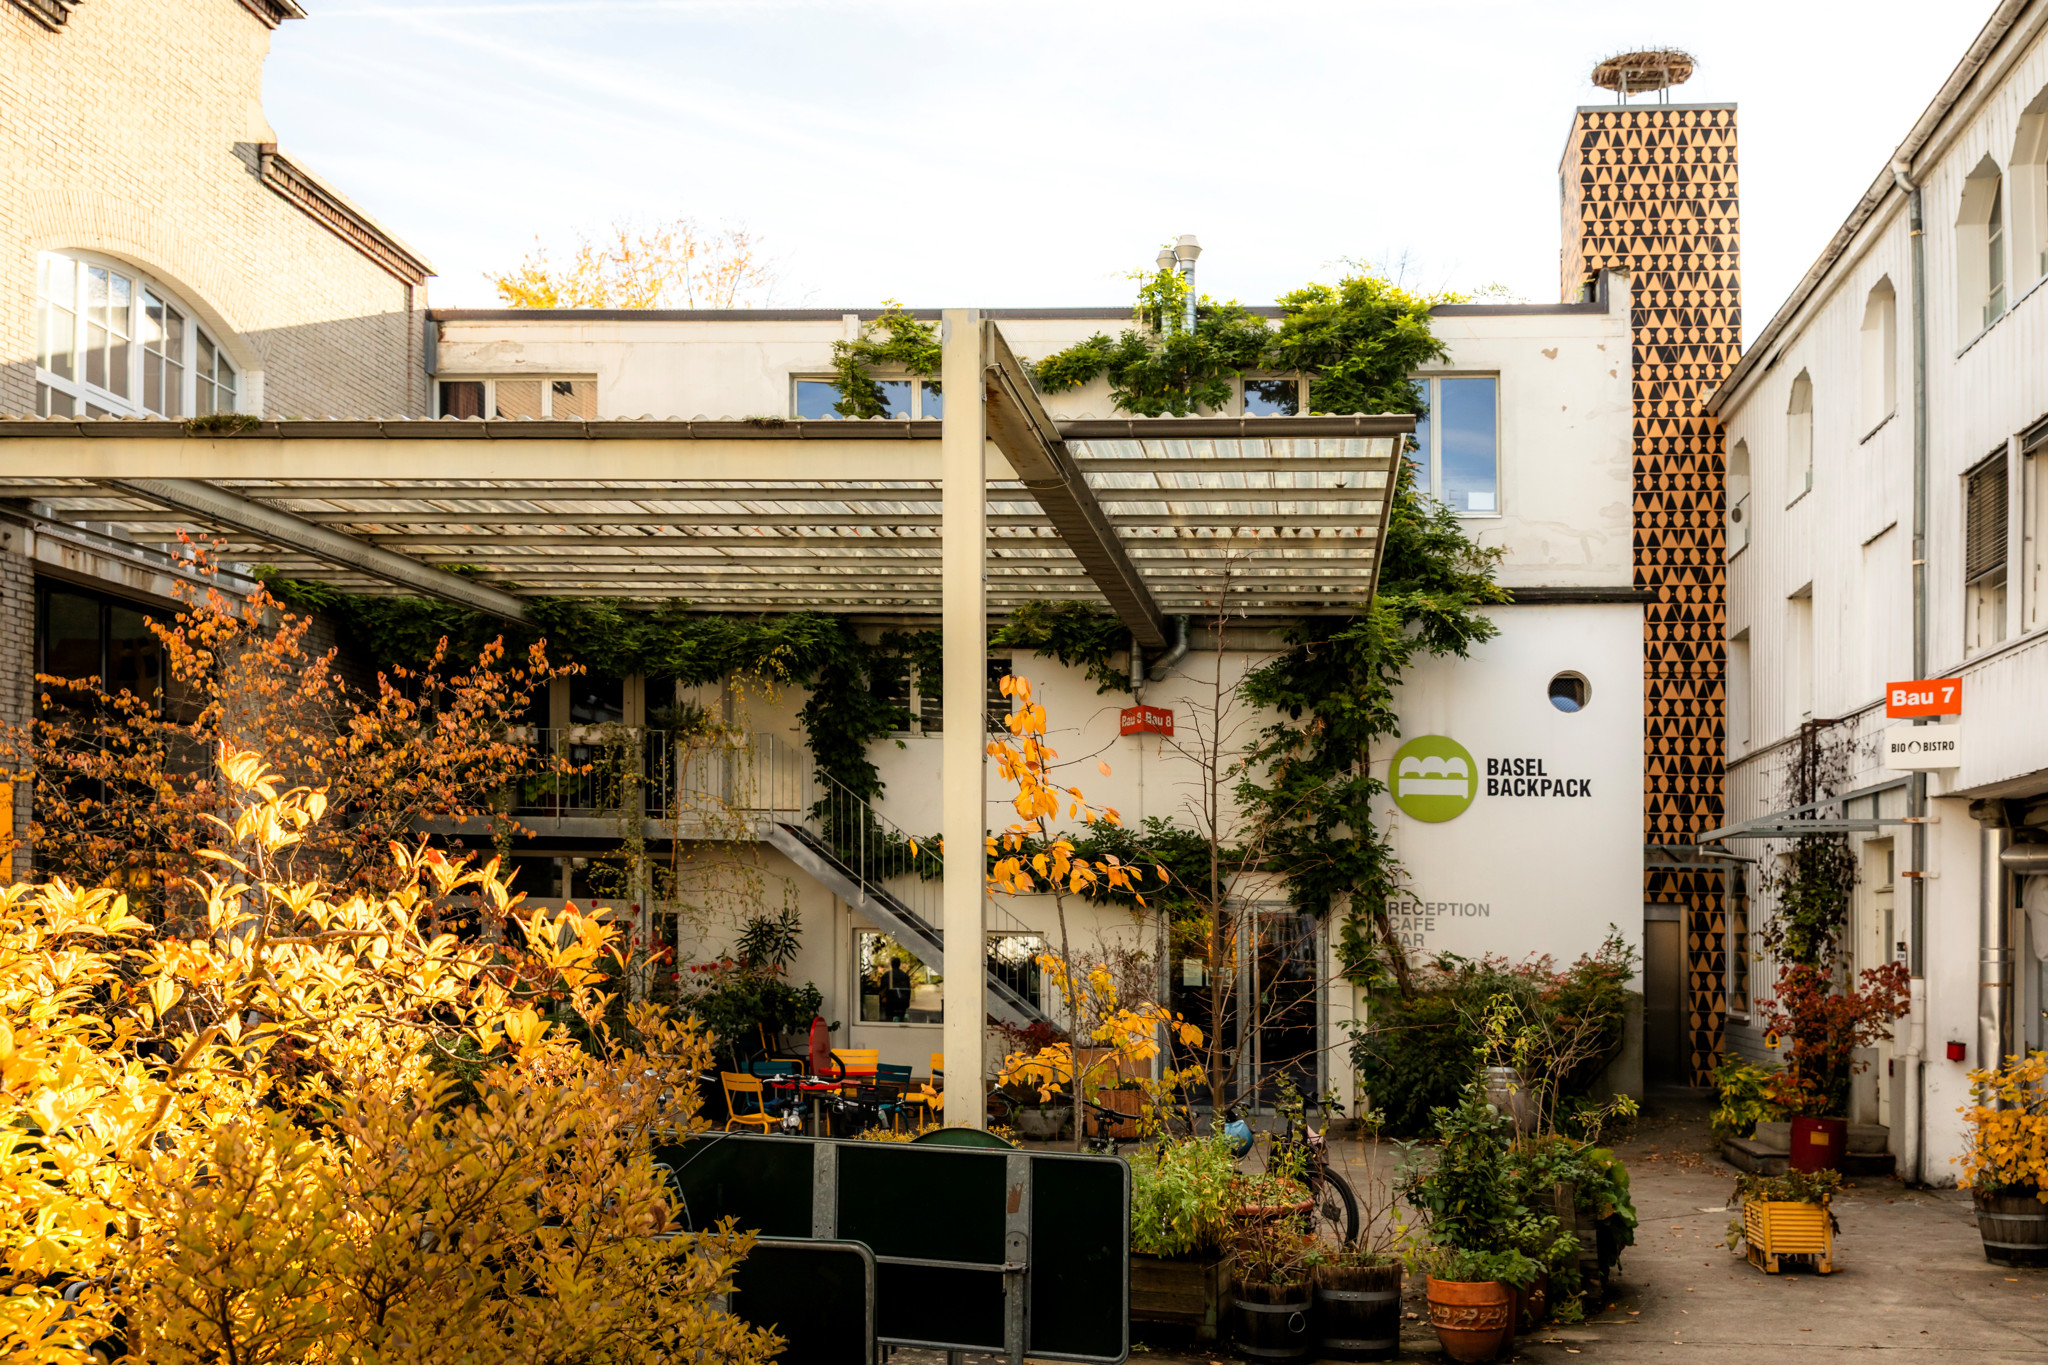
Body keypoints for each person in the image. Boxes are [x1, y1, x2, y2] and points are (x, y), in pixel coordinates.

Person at [882, 956, 912, 1021]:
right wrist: (907, 1001)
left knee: (889, 1019)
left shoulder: (887, 975)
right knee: (901, 1020)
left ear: (891, 964)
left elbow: (882, 988)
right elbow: (908, 990)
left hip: (890, 1001)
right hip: (902, 1001)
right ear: (899, 964)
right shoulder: (905, 975)